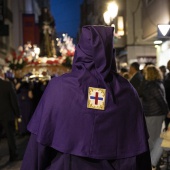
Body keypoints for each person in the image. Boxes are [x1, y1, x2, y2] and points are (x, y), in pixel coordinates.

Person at [21, 26, 151, 170]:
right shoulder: (127, 92)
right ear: (110, 51)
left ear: (80, 50)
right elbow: (139, 149)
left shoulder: (58, 89)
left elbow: (37, 148)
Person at [139, 65, 169, 151]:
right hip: (154, 114)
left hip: (153, 114)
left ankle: (152, 160)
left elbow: (160, 99)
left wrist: (166, 111)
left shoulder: (153, 85)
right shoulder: (156, 84)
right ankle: (152, 160)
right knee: (153, 138)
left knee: (153, 139)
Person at [0, 68, 20, 162]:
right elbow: (14, 101)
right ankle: (13, 156)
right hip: (7, 115)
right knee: (10, 137)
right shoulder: (7, 84)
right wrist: (18, 114)